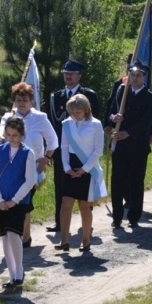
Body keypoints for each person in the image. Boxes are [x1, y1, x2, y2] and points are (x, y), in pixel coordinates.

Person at [0, 82, 57, 248]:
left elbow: (53, 140)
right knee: (15, 201)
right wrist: (2, 137)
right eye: (18, 100)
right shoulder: (8, 117)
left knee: (24, 201)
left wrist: (46, 158)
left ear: (31, 101)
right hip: (11, 167)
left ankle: (24, 238)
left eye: (25, 100)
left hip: (33, 167)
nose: (21, 103)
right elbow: (1, 134)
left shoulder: (40, 118)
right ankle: (19, 235)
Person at [47, 60, 99, 233]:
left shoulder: (88, 96)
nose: (68, 76)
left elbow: (94, 124)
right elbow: (52, 126)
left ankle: (86, 222)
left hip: (84, 150)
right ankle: (60, 222)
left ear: (79, 76)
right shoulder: (56, 97)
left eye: (72, 73)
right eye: (65, 73)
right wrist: (50, 150)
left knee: (85, 187)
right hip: (62, 149)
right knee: (60, 185)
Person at [106, 61, 152, 228]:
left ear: (144, 77)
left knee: (136, 181)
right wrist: (113, 118)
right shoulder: (122, 91)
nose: (135, 78)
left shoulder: (151, 97)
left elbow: (146, 121)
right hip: (119, 144)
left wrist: (128, 133)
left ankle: (134, 217)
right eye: (132, 75)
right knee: (117, 181)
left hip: (138, 145)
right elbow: (110, 111)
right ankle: (117, 217)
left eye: (138, 75)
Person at [0, 116, 36, 288]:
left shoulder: (28, 153)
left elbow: (30, 180)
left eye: (15, 135)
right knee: (5, 237)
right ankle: (11, 276)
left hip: (19, 202)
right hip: (2, 201)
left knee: (13, 234)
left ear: (22, 134)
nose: (11, 138)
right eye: (8, 135)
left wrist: (15, 200)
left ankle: (19, 272)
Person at [56, 93, 106, 252]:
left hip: (87, 167)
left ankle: (85, 239)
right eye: (72, 112)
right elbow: (64, 146)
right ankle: (64, 241)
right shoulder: (67, 124)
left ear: (86, 110)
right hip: (70, 166)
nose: (74, 115)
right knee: (66, 204)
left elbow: (98, 151)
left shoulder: (96, 124)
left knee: (84, 206)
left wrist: (84, 169)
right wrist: (66, 167)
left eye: (77, 112)